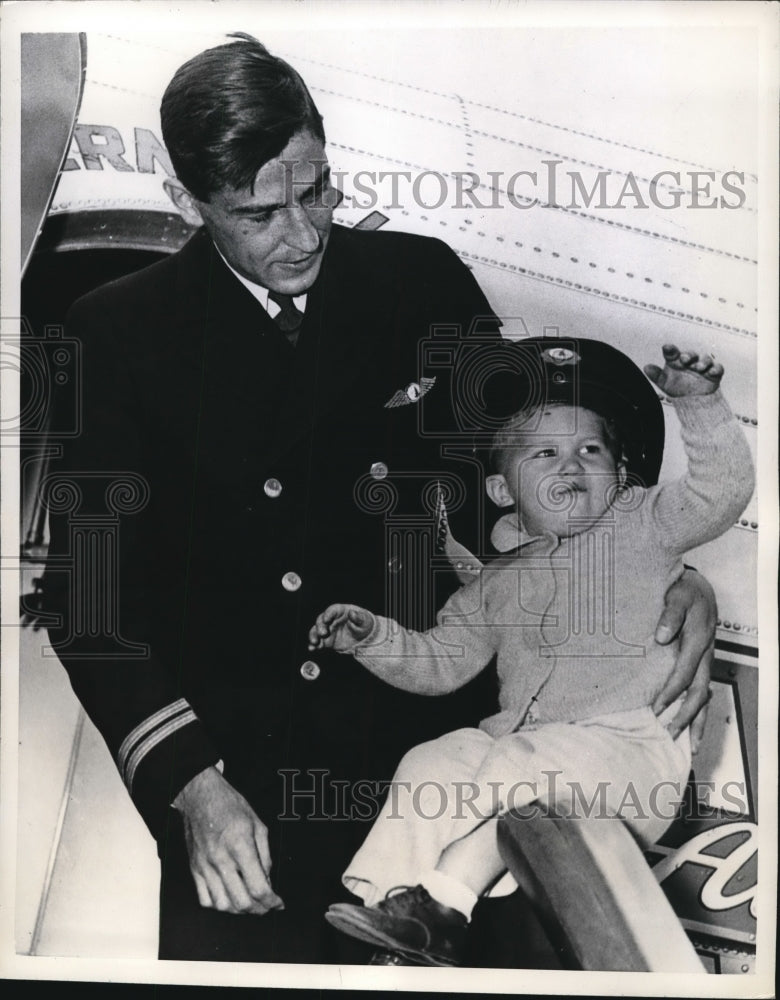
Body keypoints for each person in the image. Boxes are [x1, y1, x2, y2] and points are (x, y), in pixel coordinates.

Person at [42, 33, 716, 965]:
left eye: (316, 189)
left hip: (446, 785)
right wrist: (191, 786)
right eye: (260, 213)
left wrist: (671, 577)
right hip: (248, 794)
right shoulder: (113, 333)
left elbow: (539, 488)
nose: (304, 233)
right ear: (185, 202)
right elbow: (91, 602)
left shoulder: (423, 282)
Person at [309, 339, 754, 966]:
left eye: (591, 449)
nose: (571, 463)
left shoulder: (645, 525)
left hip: (628, 754)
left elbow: (722, 491)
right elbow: (442, 662)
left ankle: (442, 907)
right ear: (500, 488)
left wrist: (701, 405)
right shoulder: (494, 580)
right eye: (544, 452)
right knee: (436, 760)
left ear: (619, 473)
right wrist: (373, 637)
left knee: (521, 762)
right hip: (530, 758)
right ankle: (393, 915)